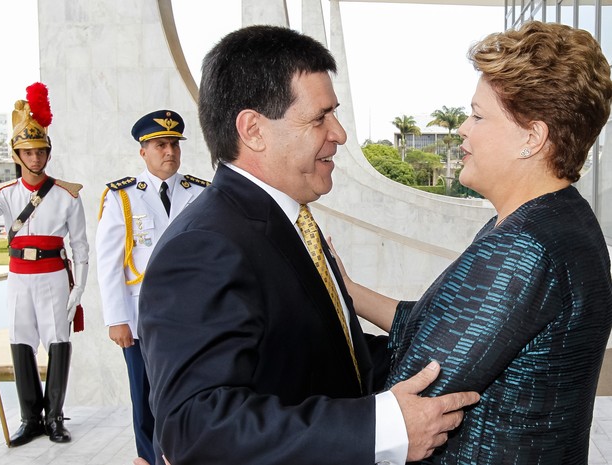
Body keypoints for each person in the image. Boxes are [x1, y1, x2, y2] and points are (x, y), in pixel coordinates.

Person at [138, 25, 479, 465]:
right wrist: (382, 429)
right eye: (320, 118)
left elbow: (328, 355)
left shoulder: (289, 219)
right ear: (253, 130)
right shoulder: (204, 245)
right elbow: (195, 427)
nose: (339, 134)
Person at [330, 21, 612, 464]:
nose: (463, 128)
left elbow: (413, 393)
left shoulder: (525, 248)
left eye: (479, 116)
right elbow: (437, 325)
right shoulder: (558, 218)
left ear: (532, 138)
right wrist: (349, 292)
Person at [95, 109, 209, 464]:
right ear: (143, 151)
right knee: (145, 397)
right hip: (141, 317)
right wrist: (117, 319)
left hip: (194, 316)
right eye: (160, 145)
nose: (169, 151)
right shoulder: (122, 197)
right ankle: (149, 459)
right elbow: (109, 263)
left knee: (193, 391)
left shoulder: (202, 192)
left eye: (174, 144)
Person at [0, 82, 89, 446]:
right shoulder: (4, 195)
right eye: (28, 152)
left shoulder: (67, 195)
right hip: (19, 277)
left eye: (40, 151)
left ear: (48, 153)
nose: (35, 158)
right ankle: (30, 418)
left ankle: (54, 417)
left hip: (53, 276)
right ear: (17, 155)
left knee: (58, 340)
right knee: (21, 341)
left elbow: (80, 247)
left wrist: (79, 288)